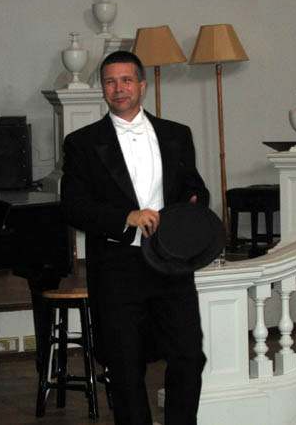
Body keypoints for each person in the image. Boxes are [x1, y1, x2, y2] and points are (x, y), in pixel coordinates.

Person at [60, 50, 209, 425]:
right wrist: (125, 217)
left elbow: (196, 190)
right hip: (117, 267)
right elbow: (74, 208)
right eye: (110, 82)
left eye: (126, 80)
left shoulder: (177, 134)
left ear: (142, 85)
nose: (119, 88)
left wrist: (190, 209)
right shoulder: (82, 143)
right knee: (125, 367)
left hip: (171, 263)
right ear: (103, 89)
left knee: (190, 356)